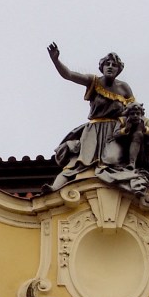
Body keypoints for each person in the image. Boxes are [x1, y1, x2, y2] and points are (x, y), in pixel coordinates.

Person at [46, 43, 136, 191]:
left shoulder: (124, 88)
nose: (110, 67)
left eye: (114, 65)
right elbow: (68, 75)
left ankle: (120, 188)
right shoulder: (94, 81)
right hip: (94, 129)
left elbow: (134, 109)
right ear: (101, 67)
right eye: (107, 64)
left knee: (113, 160)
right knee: (80, 163)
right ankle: (54, 189)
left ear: (119, 69)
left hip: (115, 132)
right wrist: (56, 60)